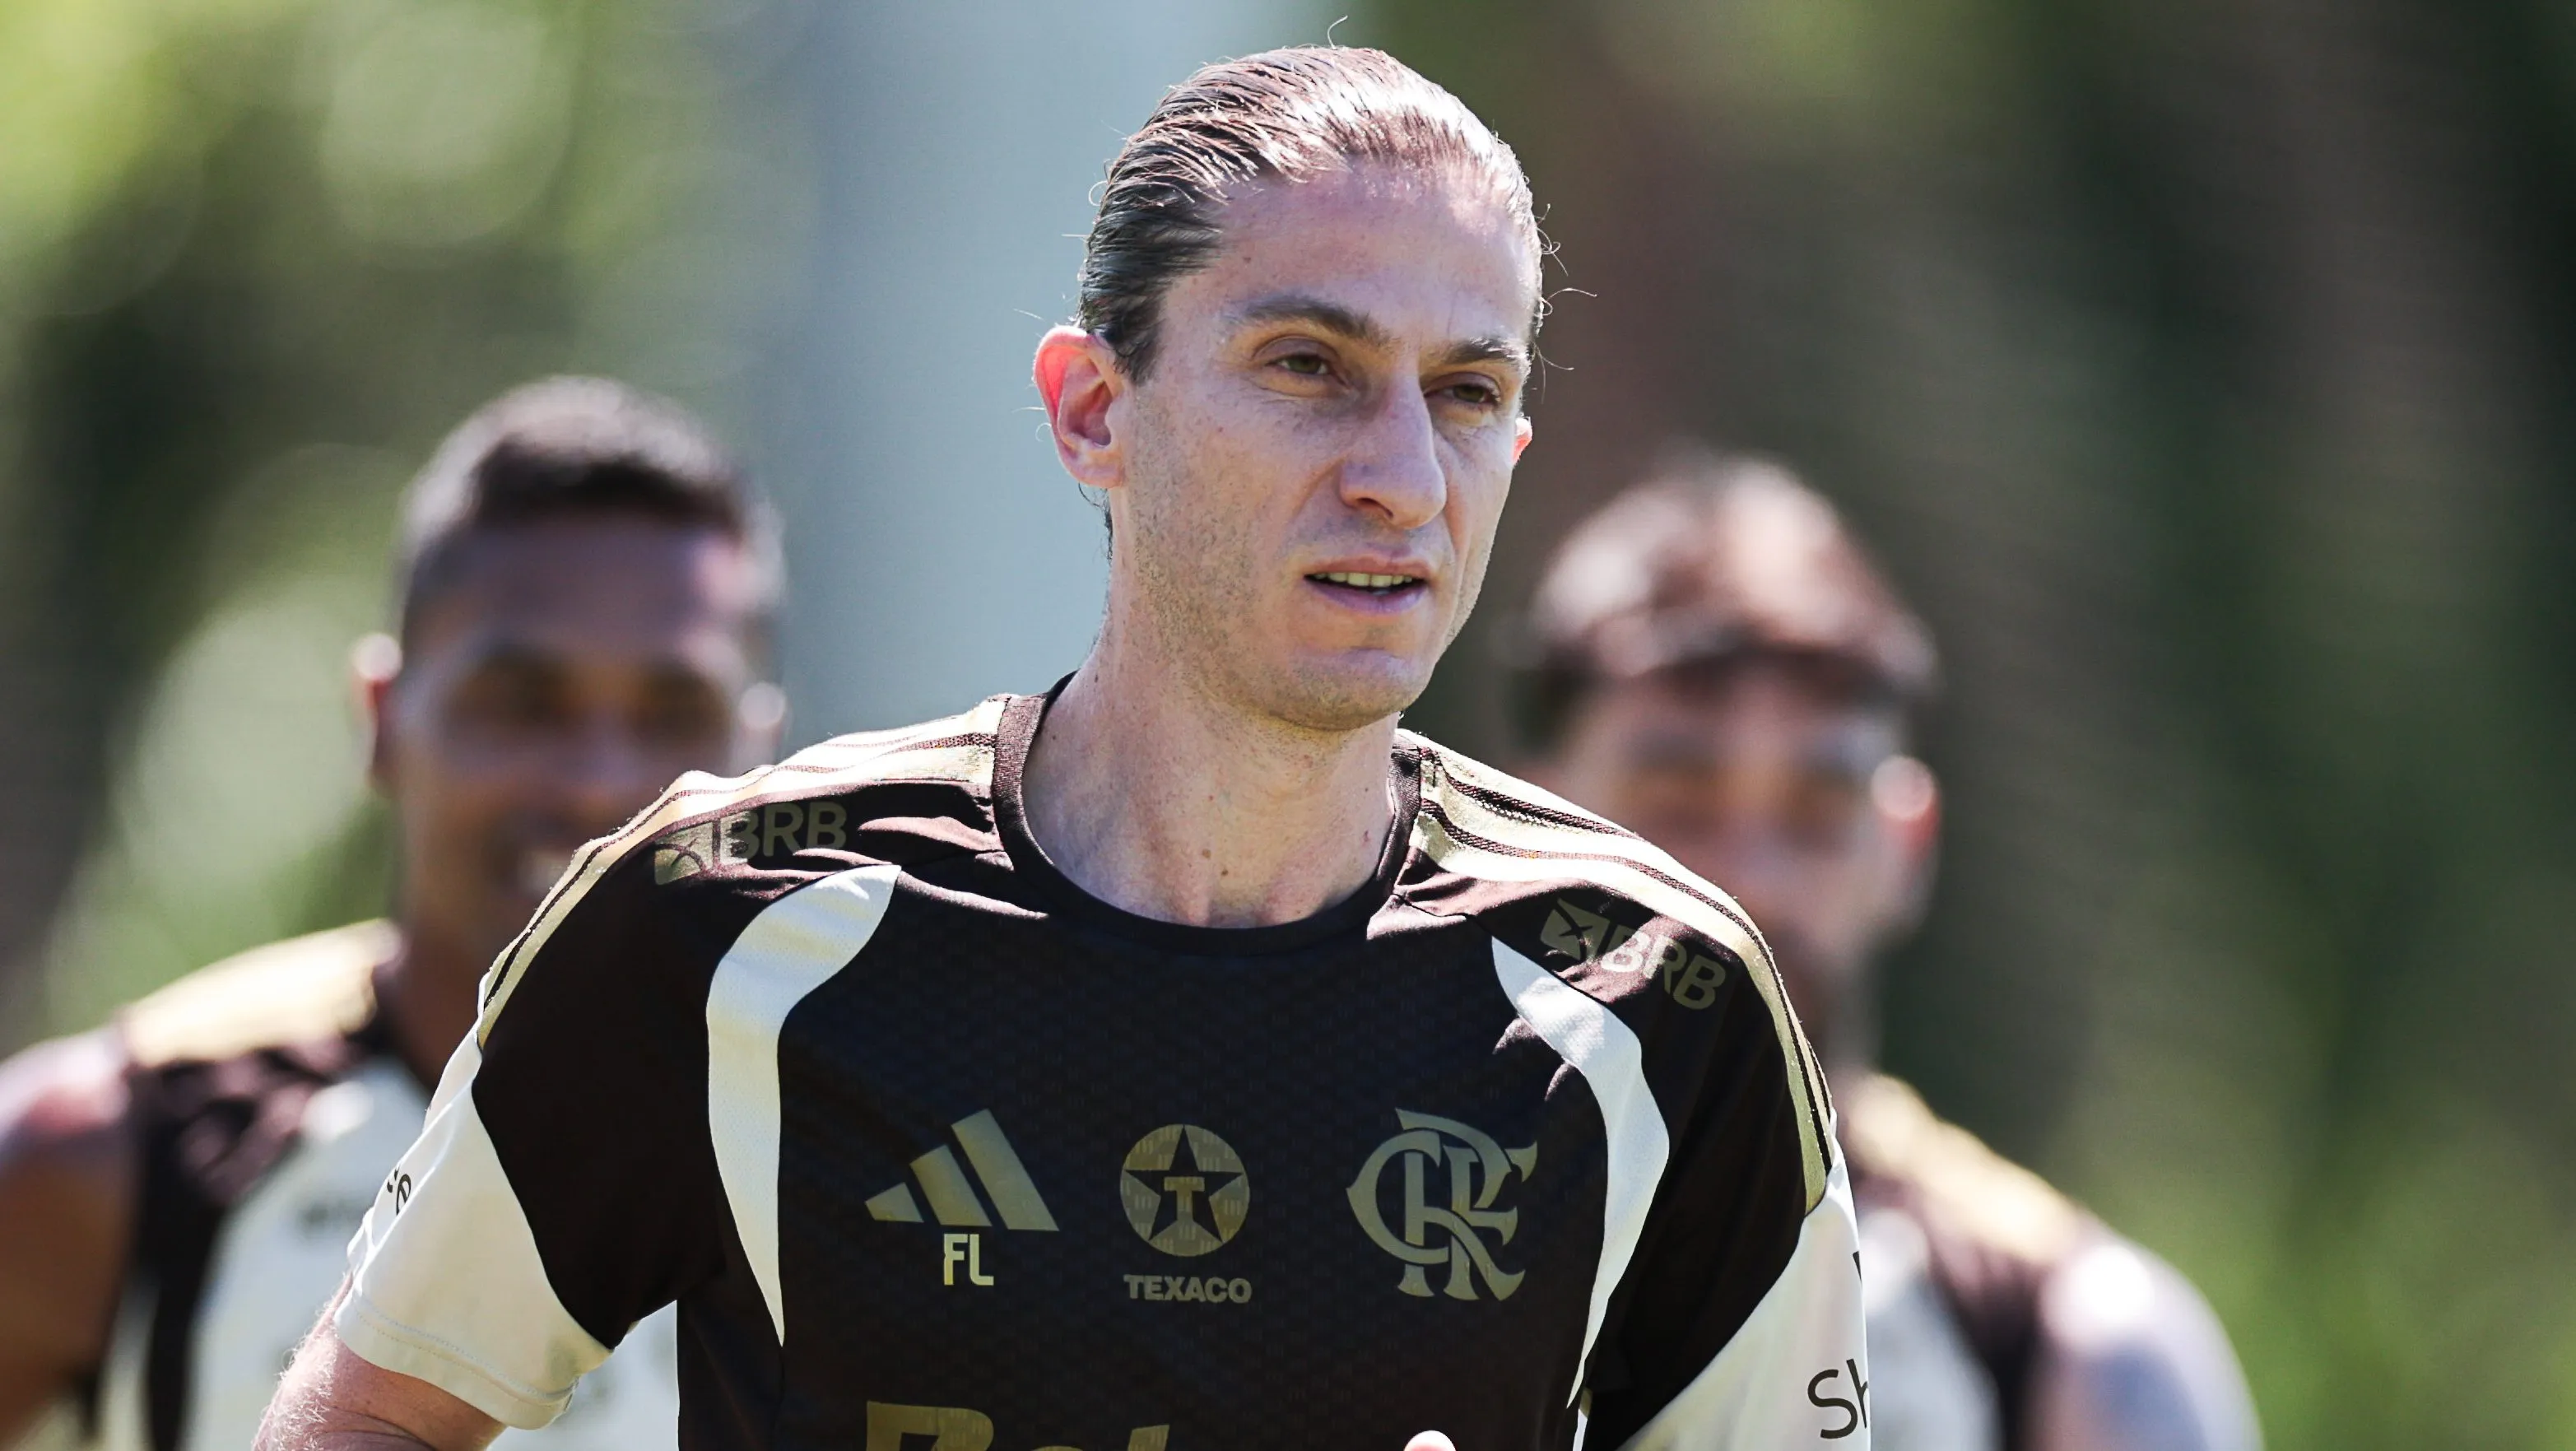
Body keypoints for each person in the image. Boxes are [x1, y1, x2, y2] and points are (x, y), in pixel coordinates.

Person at [258, 47, 1867, 1451]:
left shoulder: (1662, 998)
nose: (1399, 474)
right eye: (1307, 365)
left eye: (1462, 391)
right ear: (1093, 408)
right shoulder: (721, 920)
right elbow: (373, 1409)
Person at [0, 377, 785, 1451]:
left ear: (768, 756)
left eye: (672, 711)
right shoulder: (109, 1154)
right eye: (523, 701)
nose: (601, 783)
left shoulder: (886, 1136)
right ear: (382, 719)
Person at [1518, 451, 2264, 1451]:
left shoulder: (2067, 1339)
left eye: (1817, 804)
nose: (1753, 883)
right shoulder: (1378, 1216)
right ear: (1529, 826)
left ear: (1906, 843)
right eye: (1680, 795)